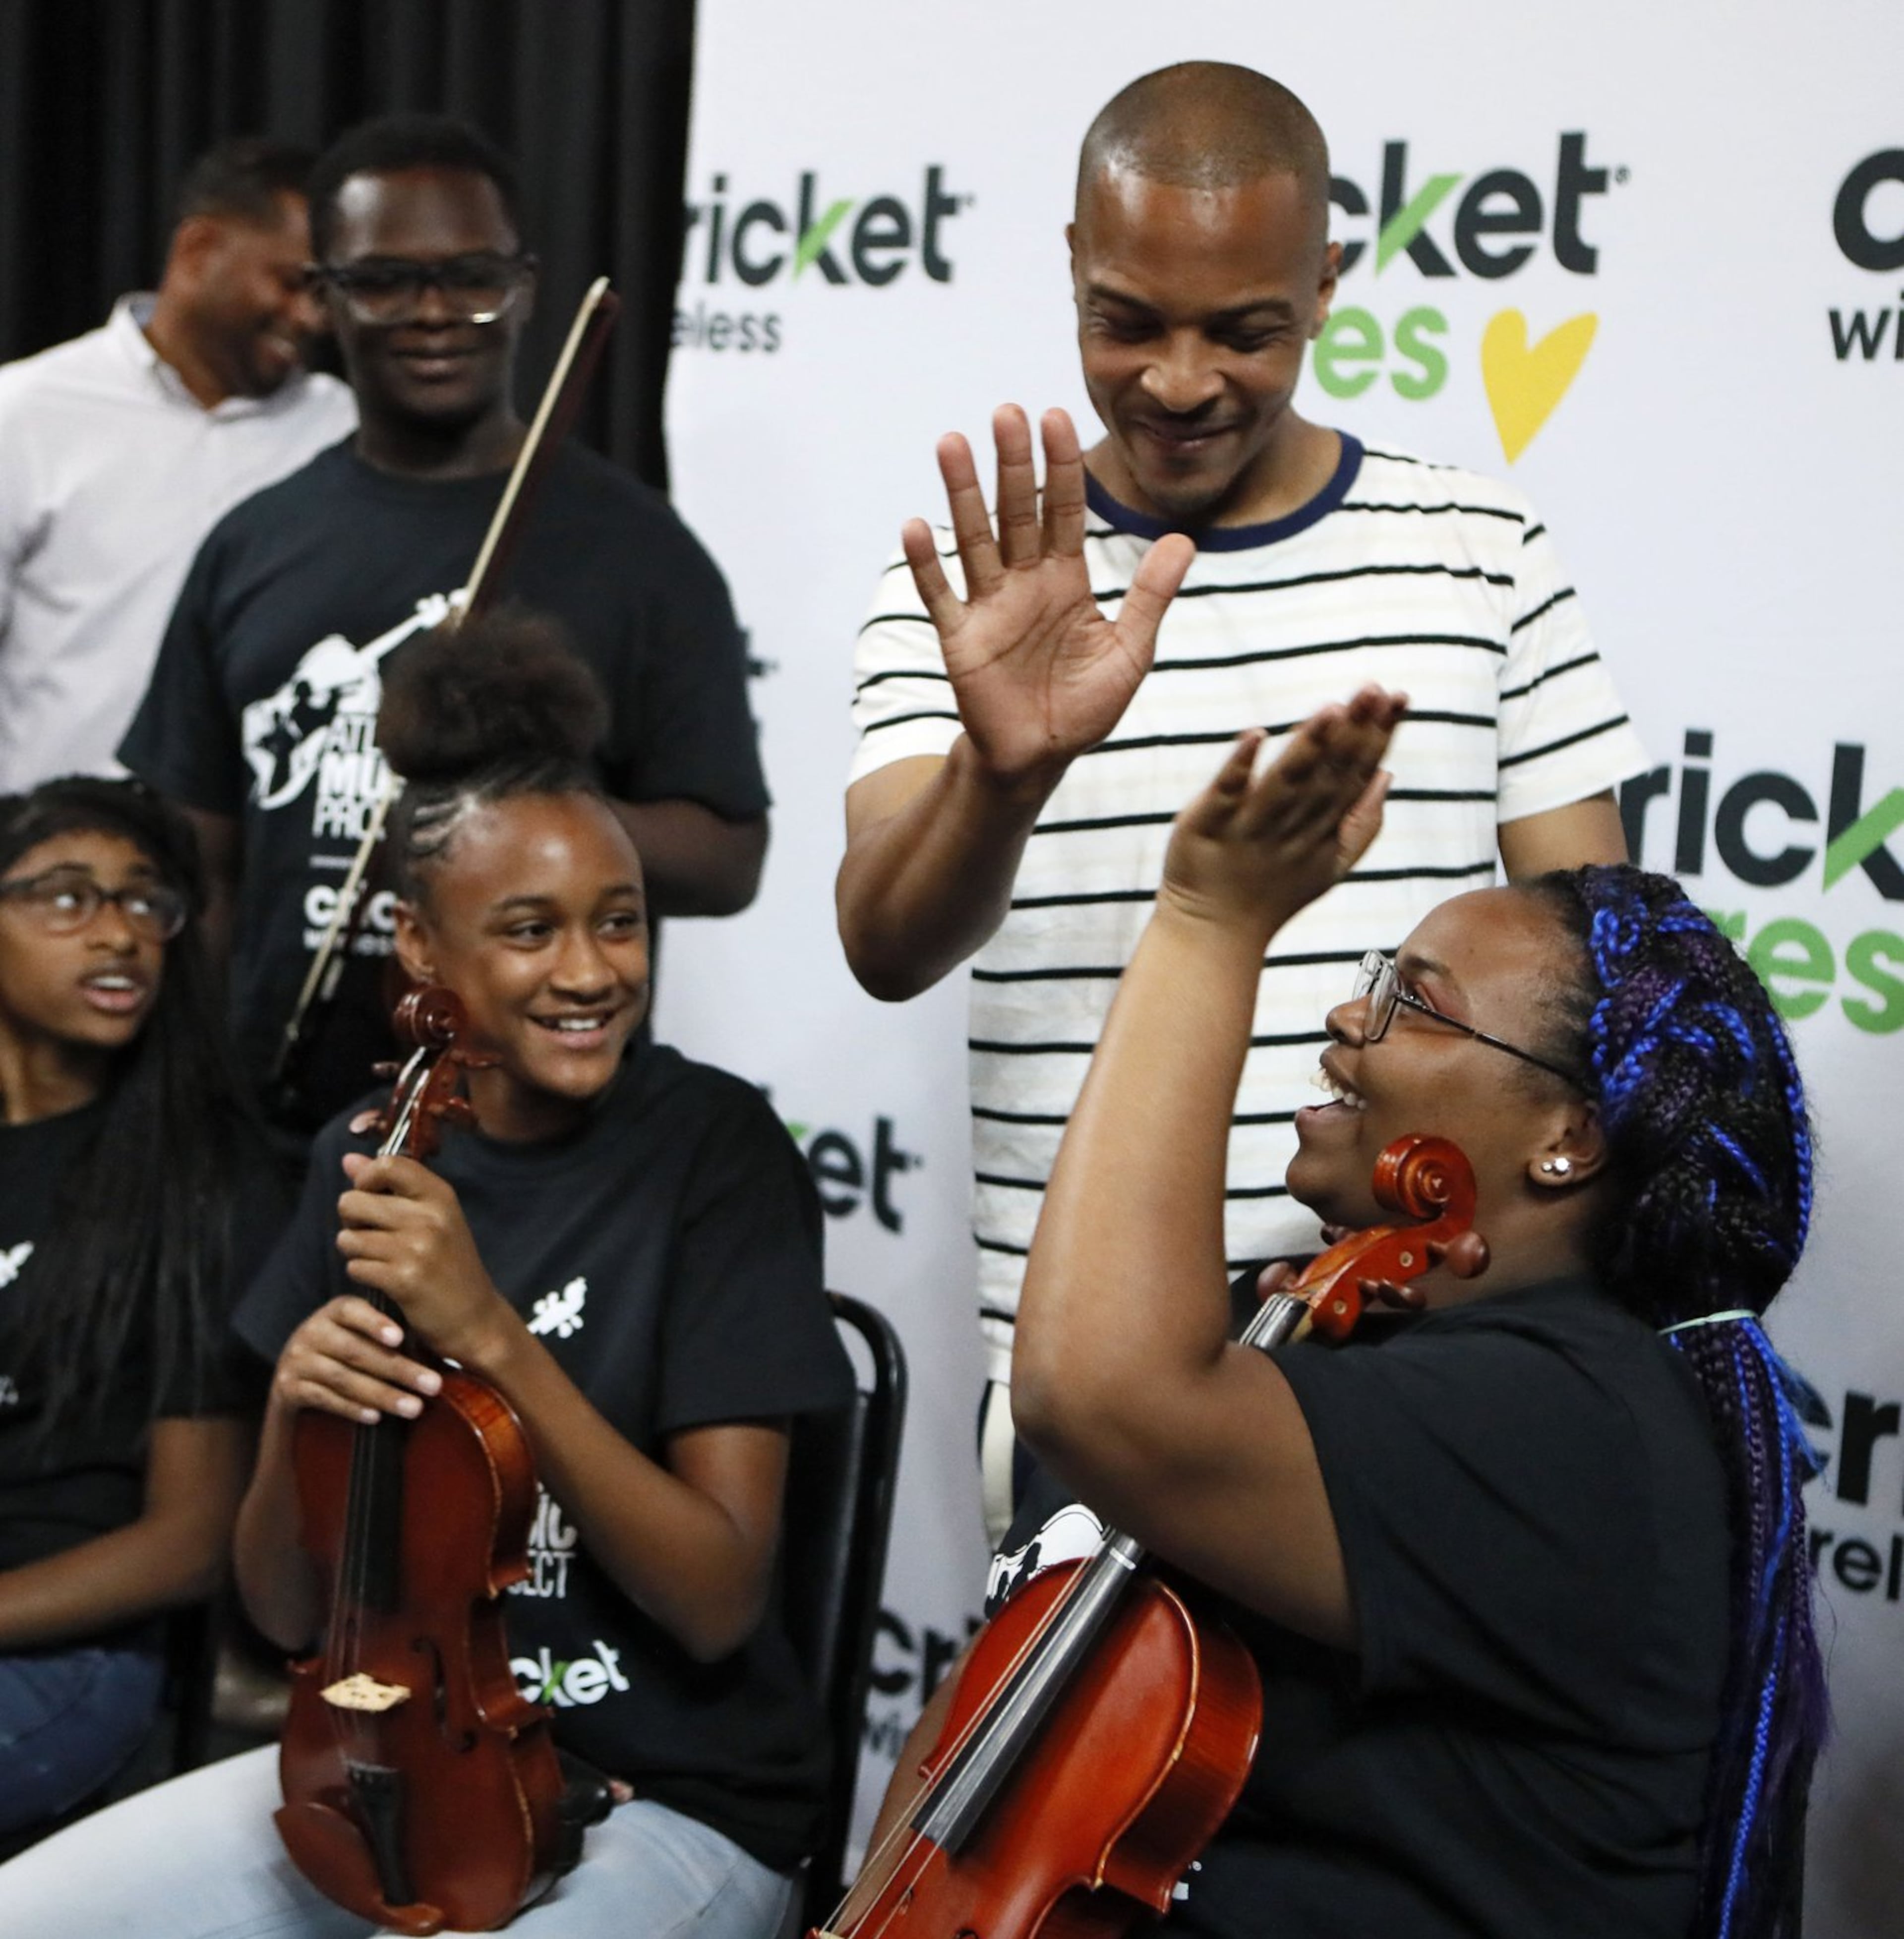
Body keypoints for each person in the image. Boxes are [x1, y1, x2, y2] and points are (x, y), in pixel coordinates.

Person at [835, 61, 1647, 1535]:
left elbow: (1600, 989)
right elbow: (885, 943)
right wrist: (1001, 773)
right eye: (1128, 320)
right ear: (1073, 266)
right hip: (1095, 1378)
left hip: (1432, 1356)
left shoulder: (1483, 551)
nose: (1183, 380)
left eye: (1246, 330)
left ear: (1328, 285)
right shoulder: (969, 585)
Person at [871, 688, 1823, 1939]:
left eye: (1411, 1001)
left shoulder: (1574, 1425)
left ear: (1566, 1139)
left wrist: (1210, 925)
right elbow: (991, 1693)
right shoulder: (1301, 1335)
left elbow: (1095, 1391)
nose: (1346, 1018)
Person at [2, 615, 851, 1938]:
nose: (589, 972)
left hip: (667, 1796)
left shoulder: (714, 1153)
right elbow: (283, 1611)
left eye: (618, 923)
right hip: (394, 1773)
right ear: (418, 946)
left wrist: (492, 1336)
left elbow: (718, 1598)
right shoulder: (369, 1152)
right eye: (529, 930)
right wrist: (292, 1405)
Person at [120, 114, 769, 1145]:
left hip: (540, 1156)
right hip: (271, 1139)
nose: (433, 313)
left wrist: (515, 814)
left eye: (471, 277)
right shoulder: (254, 545)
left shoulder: (643, 552)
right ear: (326, 297)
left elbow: (730, 859)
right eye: (383, 281)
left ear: (524, 287)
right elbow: (197, 867)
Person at [0, 777, 274, 1836]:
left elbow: (193, 1540)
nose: (118, 933)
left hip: (73, 1654)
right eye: (67, 898)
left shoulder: (205, 1180)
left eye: (145, 903)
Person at [0, 140, 356, 791]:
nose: (311, 318)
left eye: (327, 295)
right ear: (197, 251)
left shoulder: (345, 431)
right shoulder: (23, 414)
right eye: (292, 283)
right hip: (54, 863)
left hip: (258, 864)